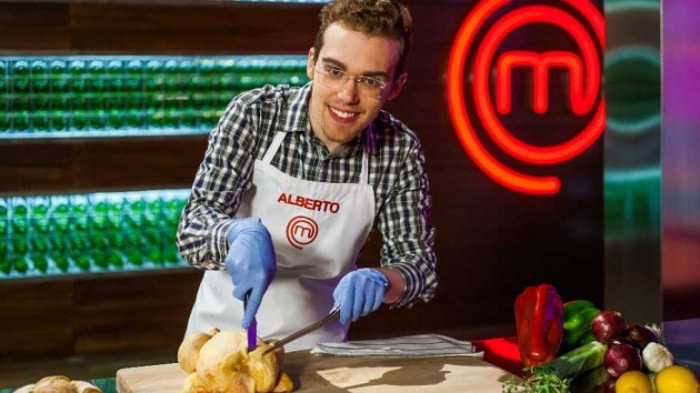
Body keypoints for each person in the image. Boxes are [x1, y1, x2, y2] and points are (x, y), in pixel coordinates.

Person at [176, 0, 437, 351]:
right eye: (335, 71)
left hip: (318, 350)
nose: (348, 95)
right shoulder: (255, 115)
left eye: (370, 80)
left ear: (395, 86)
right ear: (312, 63)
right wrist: (233, 234)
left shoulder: (399, 150)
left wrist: (383, 280)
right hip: (219, 341)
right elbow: (192, 229)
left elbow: (417, 265)